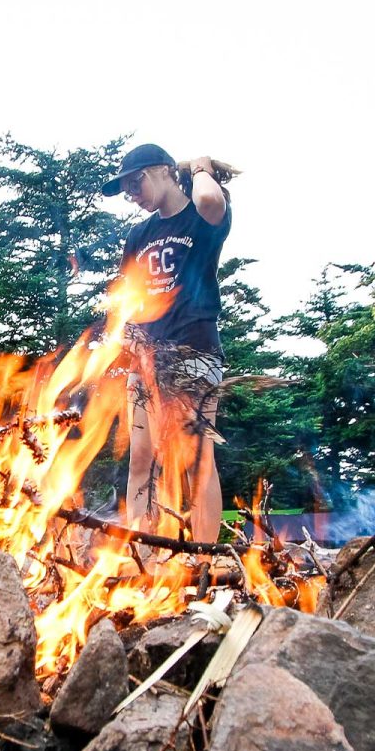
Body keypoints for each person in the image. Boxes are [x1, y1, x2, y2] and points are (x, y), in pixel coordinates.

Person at [101, 143, 232, 544]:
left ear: (162, 170)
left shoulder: (200, 218)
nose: (131, 195)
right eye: (125, 189)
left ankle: (204, 555)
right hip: (146, 354)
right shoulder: (139, 234)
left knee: (197, 460)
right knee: (140, 457)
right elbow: (128, 294)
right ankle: (141, 551)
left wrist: (199, 166)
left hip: (194, 351)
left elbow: (209, 196)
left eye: (135, 183)